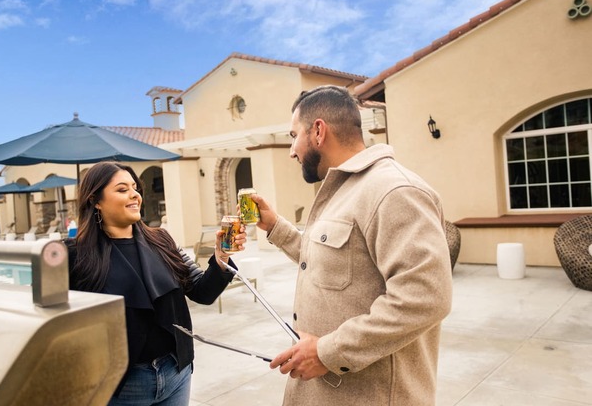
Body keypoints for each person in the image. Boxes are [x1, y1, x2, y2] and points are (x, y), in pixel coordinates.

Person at [250, 85, 453, 405]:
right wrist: (275, 227)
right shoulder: (343, 190)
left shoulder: (394, 191)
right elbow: (332, 262)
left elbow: (425, 298)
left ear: (318, 131)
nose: (292, 150)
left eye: (293, 136)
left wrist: (327, 353)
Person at [65, 161, 245, 406]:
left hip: (176, 373)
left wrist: (221, 257)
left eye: (134, 187)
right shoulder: (75, 254)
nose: (134, 195)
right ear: (95, 200)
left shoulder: (162, 240)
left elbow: (202, 292)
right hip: (122, 385)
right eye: (121, 189)